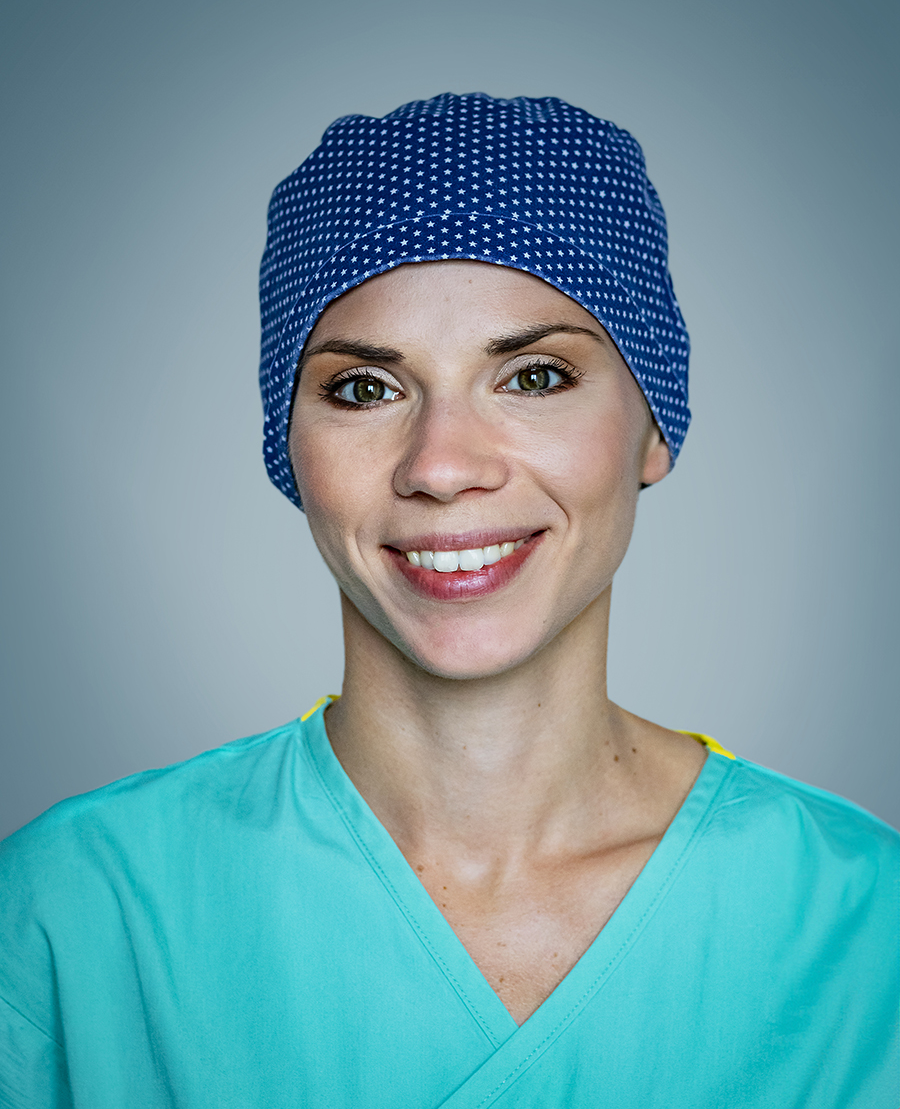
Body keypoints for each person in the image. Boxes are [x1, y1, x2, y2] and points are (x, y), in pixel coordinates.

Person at [0, 93, 896, 1107]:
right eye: (364, 390)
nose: (441, 466)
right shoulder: (69, 915)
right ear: (289, 448)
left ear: (654, 425)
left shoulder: (866, 927)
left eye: (535, 376)